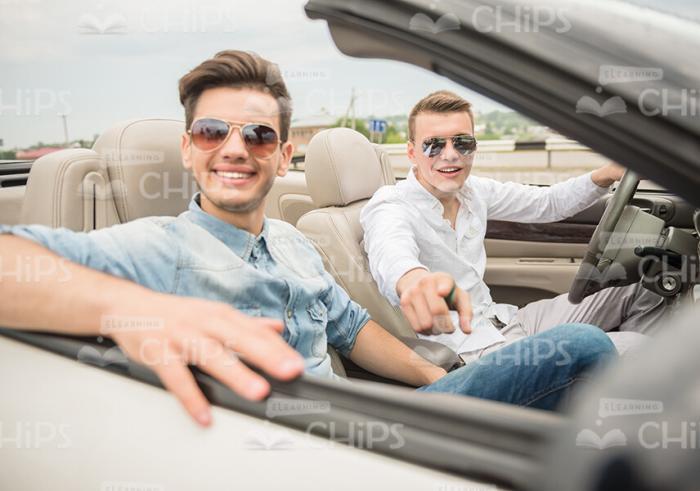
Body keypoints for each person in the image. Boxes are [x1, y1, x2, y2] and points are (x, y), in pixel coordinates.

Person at [0, 52, 616, 427]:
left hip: (377, 422)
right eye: (213, 131)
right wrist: (136, 309)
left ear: (283, 154)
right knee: (582, 347)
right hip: (300, 445)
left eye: (259, 136)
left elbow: (352, 329)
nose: (236, 147)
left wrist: (444, 385)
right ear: (188, 149)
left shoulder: (293, 242)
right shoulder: (154, 246)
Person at [360, 90, 667, 366]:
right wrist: (413, 282)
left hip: (505, 321)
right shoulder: (390, 206)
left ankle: (600, 394)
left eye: (462, 142)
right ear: (412, 152)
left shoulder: (473, 191)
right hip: (472, 353)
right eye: (433, 145)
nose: (450, 154)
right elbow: (392, 252)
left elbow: (547, 203)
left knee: (645, 288)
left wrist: (606, 174)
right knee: (637, 348)